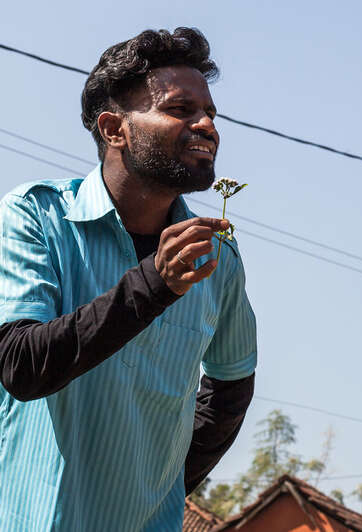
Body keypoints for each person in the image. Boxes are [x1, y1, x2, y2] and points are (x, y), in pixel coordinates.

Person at [0, 28, 257, 531]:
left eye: (210, 113)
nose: (206, 125)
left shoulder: (217, 258)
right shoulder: (36, 217)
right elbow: (22, 364)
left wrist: (163, 485)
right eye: (180, 110)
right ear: (114, 128)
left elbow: (232, 384)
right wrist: (154, 285)